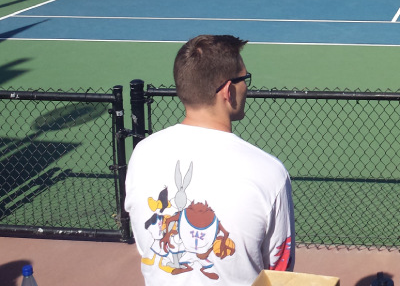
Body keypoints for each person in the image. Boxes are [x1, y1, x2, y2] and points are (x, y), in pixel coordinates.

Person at [125, 35, 295, 285]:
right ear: (228, 90)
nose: (246, 86)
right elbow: (280, 270)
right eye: (244, 79)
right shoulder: (270, 173)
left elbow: (146, 243)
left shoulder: (142, 154)